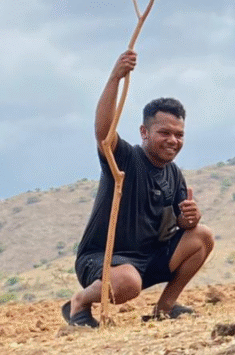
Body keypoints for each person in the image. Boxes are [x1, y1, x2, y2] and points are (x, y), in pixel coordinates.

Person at [64, 50, 216, 328]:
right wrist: (115, 77)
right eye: (164, 133)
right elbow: (103, 132)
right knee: (127, 283)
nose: (173, 140)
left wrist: (190, 219)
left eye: (179, 134)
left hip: (148, 260)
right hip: (104, 260)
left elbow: (181, 224)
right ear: (144, 132)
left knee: (203, 236)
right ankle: (80, 302)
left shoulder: (174, 174)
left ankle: (165, 308)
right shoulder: (125, 159)